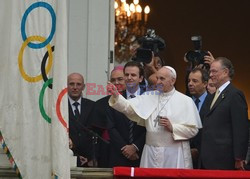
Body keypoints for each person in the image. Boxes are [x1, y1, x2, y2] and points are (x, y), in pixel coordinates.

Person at [108, 66, 202, 168]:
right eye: (157, 78)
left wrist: (172, 127)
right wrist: (117, 96)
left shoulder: (185, 101)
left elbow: (193, 130)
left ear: (172, 81)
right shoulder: (149, 96)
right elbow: (128, 107)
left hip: (174, 154)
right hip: (150, 152)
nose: (158, 82)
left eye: (162, 79)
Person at [200, 57, 249, 170]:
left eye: (214, 71)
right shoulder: (211, 97)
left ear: (225, 72)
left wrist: (239, 157)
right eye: (210, 71)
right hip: (207, 158)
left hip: (224, 159)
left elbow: (240, 128)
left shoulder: (235, 95)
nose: (210, 75)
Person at [107, 61, 146, 167]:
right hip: (119, 155)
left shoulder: (148, 99)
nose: (129, 78)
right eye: (126, 75)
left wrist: (135, 147)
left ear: (141, 78)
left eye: (133, 75)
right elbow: (111, 127)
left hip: (141, 154)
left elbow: (150, 127)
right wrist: (125, 149)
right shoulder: (114, 98)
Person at [67, 73, 96, 167]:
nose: (75, 87)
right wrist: (75, 156)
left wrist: (92, 158)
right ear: (66, 86)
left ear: (83, 87)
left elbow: (96, 132)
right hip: (67, 159)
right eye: (71, 84)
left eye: (78, 84)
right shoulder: (59, 107)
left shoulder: (92, 106)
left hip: (89, 161)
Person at [187, 68, 210, 168]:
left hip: (206, 157)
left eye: (195, 81)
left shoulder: (213, 102)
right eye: (189, 81)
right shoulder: (184, 102)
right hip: (185, 155)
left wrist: (198, 150)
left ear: (205, 84)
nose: (190, 84)